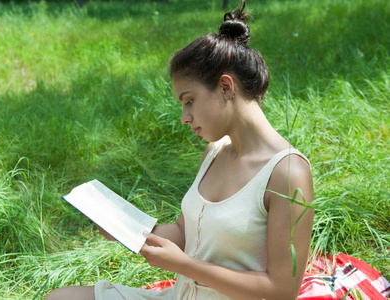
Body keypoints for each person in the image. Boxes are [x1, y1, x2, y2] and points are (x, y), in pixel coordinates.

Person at [46, 0, 314, 299]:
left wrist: (186, 266)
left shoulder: (288, 172)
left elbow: (283, 289)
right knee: (62, 297)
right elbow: (185, 235)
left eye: (189, 101)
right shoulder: (216, 151)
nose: (185, 118)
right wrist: (127, 232)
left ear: (226, 87)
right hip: (181, 295)